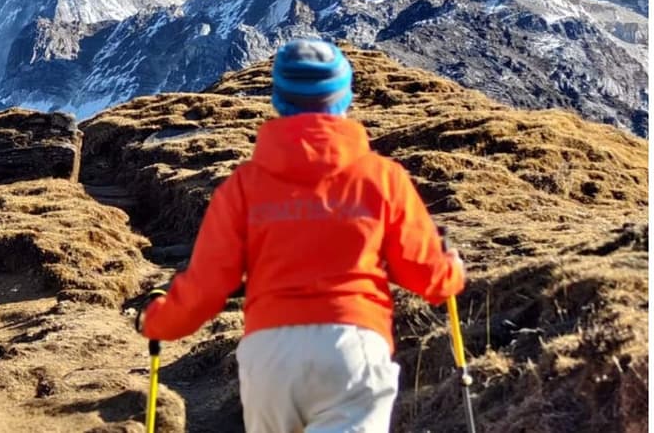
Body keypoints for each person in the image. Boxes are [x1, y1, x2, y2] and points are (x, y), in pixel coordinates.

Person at [136, 39, 465, 433]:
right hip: (354, 347)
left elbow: (207, 286)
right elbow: (426, 275)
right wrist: (451, 270)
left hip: (270, 356)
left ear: (279, 101)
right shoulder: (382, 178)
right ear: (344, 99)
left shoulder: (244, 186)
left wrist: (159, 321)